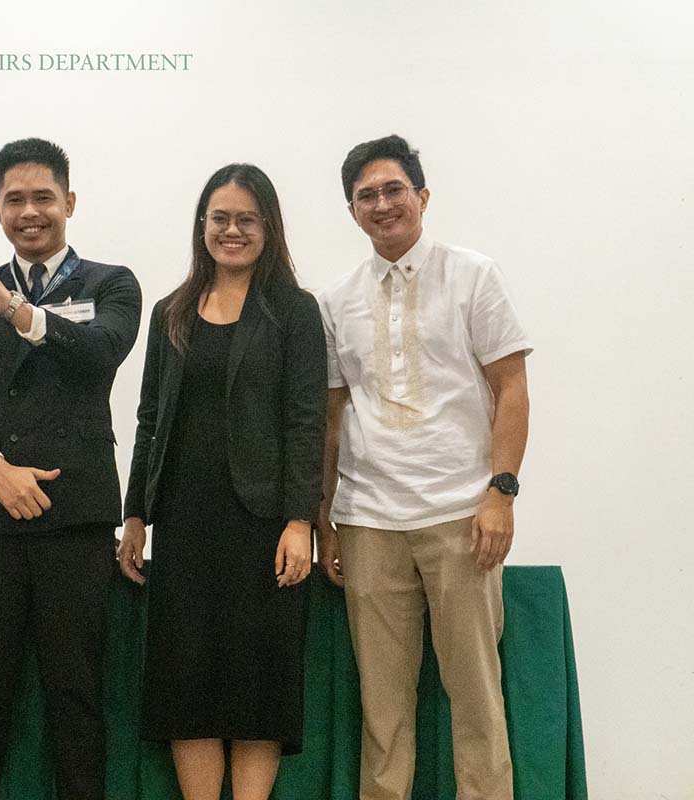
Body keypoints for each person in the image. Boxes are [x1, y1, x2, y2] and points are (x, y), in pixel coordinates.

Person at [315, 134, 531, 800]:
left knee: (476, 698)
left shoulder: (473, 276)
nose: (382, 205)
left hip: (460, 516)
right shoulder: (335, 300)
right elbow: (331, 422)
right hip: (369, 521)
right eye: (367, 196)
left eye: (394, 190)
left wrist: (500, 494)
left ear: (422, 196)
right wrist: (325, 519)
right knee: (382, 710)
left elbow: (512, 389)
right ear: (352, 210)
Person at [0, 138, 142, 800]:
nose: (29, 212)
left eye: (43, 197)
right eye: (14, 200)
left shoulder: (111, 283)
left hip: (76, 516)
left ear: (69, 202)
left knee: (75, 697)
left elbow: (102, 349)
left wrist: (18, 312)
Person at [118, 163, 327, 800]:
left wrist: (300, 521)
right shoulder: (171, 312)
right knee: (188, 683)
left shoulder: (293, 310)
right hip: (184, 523)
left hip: (263, 527)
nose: (231, 231)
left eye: (246, 219)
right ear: (202, 225)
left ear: (268, 227)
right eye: (220, 219)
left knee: (258, 683)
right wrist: (135, 516)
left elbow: (306, 419)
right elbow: (149, 419)